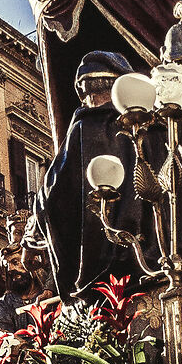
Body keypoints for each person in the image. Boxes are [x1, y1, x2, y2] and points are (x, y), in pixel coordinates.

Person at [40, 51, 134, 296]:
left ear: (85, 93)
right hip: (144, 254)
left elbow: (54, 195)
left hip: (97, 263)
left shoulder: (83, 128)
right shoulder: (143, 127)